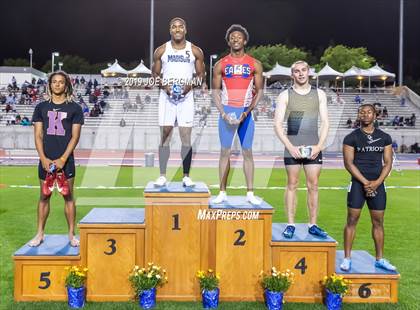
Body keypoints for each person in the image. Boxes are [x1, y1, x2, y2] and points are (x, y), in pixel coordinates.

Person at [274, 60, 330, 239]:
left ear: (309, 72)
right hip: (292, 147)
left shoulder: (319, 94)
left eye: (303, 70)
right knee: (292, 185)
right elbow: (277, 124)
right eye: (297, 71)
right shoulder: (285, 95)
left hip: (313, 146)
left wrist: (319, 146)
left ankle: (313, 224)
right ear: (292, 75)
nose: (300, 74)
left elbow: (326, 122)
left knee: (313, 185)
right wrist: (290, 147)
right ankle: (290, 224)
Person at [28, 71, 84, 247]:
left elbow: (75, 137)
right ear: (50, 85)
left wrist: (63, 158)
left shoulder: (75, 108)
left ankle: (71, 235)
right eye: (54, 82)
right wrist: (43, 158)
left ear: (66, 85)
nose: (57, 85)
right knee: (44, 197)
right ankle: (39, 234)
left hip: (66, 161)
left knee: (68, 197)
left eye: (61, 82)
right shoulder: (41, 107)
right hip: (46, 160)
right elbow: (38, 135)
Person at [211, 24, 263, 205]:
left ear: (245, 40)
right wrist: (223, 113)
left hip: (245, 114)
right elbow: (215, 92)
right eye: (232, 37)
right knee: (224, 152)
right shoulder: (220, 64)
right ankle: (222, 192)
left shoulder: (254, 64)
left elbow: (260, 91)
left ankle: (250, 193)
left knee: (247, 152)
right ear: (228, 41)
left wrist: (247, 112)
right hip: (227, 112)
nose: (235, 39)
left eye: (238, 37)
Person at [340, 104, 396, 271]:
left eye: (369, 112)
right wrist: (365, 182)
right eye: (362, 112)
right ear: (359, 116)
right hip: (358, 184)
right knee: (351, 220)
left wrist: (377, 182)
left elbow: (388, 163)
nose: (365, 114)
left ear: (375, 116)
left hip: (377, 185)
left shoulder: (385, 137)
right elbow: (348, 164)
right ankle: (347, 258)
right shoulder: (351, 137)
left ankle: (379, 259)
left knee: (378, 222)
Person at [152, 17, 205, 187]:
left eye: (180, 26)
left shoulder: (195, 50)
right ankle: (162, 175)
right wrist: (166, 87)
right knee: (165, 135)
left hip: (186, 98)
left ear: (185, 29)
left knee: (186, 137)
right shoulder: (161, 50)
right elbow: (155, 75)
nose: (177, 29)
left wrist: (188, 87)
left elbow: (201, 75)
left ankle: (186, 176)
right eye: (173, 27)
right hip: (166, 98)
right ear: (170, 30)